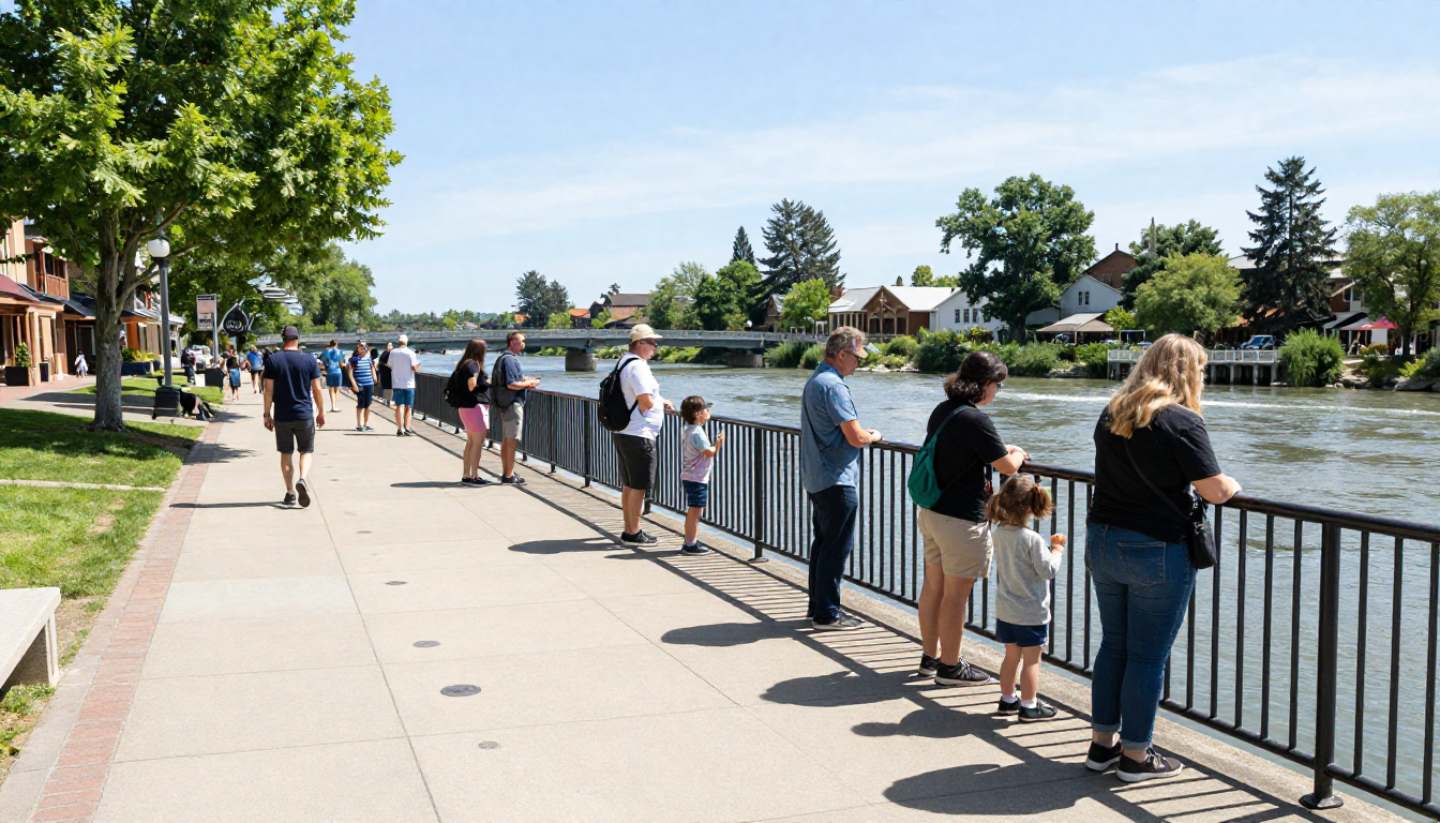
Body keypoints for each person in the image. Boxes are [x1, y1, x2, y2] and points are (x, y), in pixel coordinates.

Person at [1085, 333, 1241, 782]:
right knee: (1148, 656)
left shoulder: (1111, 412)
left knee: (1114, 645)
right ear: (1187, 372)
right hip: (1155, 548)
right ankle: (1136, 756)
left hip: (1104, 539)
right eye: (1202, 370)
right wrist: (1232, 485)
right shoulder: (1181, 421)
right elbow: (1214, 490)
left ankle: (1102, 748)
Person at [916, 351, 1027, 685]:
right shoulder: (976, 420)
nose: (997, 392)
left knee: (933, 588)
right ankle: (950, 668)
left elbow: (964, 450)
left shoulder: (945, 411)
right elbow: (1006, 467)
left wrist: (998, 451)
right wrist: (1018, 453)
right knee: (955, 597)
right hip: (962, 521)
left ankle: (929, 657)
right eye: (998, 385)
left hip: (933, 512)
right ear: (984, 385)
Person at [799, 326, 883, 631]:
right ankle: (828, 614)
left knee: (822, 544)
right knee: (836, 548)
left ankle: (817, 607)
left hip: (818, 476)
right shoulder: (834, 386)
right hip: (837, 479)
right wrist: (873, 435)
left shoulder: (815, 381)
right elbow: (856, 435)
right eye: (857, 357)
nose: (858, 363)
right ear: (843, 354)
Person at [988, 474, 1065, 721]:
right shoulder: (1031, 539)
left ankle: (1008, 700)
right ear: (1032, 506)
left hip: (1006, 609)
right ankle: (1029, 705)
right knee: (1032, 661)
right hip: (1031, 612)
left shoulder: (999, 532)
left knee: (1011, 657)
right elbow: (1048, 570)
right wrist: (1057, 550)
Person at [611, 324, 671, 544]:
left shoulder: (623, 362)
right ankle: (633, 532)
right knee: (639, 486)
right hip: (639, 433)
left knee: (629, 484)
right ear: (640, 344)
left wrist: (661, 401)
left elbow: (640, 396)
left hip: (625, 431)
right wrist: (657, 405)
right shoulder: (638, 367)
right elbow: (644, 401)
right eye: (652, 342)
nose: (655, 346)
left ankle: (629, 528)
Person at [262, 325, 326, 508]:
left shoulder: (273, 360)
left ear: (283, 339)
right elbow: (317, 389)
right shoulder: (309, 360)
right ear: (298, 339)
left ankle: (290, 493)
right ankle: (303, 479)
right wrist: (321, 412)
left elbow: (268, 390)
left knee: (286, 453)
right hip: (304, 414)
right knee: (306, 451)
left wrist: (267, 414)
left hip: (282, 415)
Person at [491, 331, 540, 484]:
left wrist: (524, 380)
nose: (524, 344)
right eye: (521, 341)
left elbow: (511, 380)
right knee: (511, 440)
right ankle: (509, 475)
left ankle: (507, 472)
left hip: (504, 404)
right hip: (512, 404)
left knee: (506, 440)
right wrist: (530, 384)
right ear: (512, 342)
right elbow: (511, 384)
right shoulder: (510, 360)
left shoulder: (503, 358)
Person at [679, 395, 724, 555]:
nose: (708, 411)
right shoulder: (697, 433)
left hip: (690, 476)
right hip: (697, 478)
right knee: (695, 510)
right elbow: (708, 452)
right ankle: (690, 544)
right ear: (698, 414)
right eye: (706, 409)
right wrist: (718, 444)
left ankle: (690, 539)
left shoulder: (687, 429)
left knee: (695, 509)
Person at [449, 338, 492, 485]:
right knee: (477, 443)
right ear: (480, 350)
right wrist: (486, 383)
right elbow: (472, 385)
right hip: (475, 407)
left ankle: (466, 475)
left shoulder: (463, 364)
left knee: (471, 442)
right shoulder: (473, 364)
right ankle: (474, 475)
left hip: (465, 407)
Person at [387, 335, 420, 435]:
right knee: (408, 407)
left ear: (399, 342)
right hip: (409, 383)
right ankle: (407, 427)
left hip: (397, 383)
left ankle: (400, 428)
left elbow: (389, 365)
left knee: (399, 406)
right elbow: (414, 368)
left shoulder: (393, 352)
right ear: (406, 342)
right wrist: (419, 365)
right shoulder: (411, 353)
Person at [348, 341, 376, 431]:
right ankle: (359, 425)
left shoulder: (369, 359)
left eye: (364, 347)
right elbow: (350, 374)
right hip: (360, 385)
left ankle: (365, 424)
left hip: (369, 384)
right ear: (358, 349)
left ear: (366, 349)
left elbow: (372, 367)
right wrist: (354, 384)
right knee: (360, 405)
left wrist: (374, 376)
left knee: (368, 405)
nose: (363, 348)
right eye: (361, 347)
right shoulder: (354, 360)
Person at [320, 339, 345, 412]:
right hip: (338, 372)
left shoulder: (326, 352)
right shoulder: (340, 352)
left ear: (330, 344)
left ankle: (333, 406)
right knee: (336, 390)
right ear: (337, 344)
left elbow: (322, 361)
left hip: (330, 372)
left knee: (331, 390)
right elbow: (341, 364)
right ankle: (335, 406)